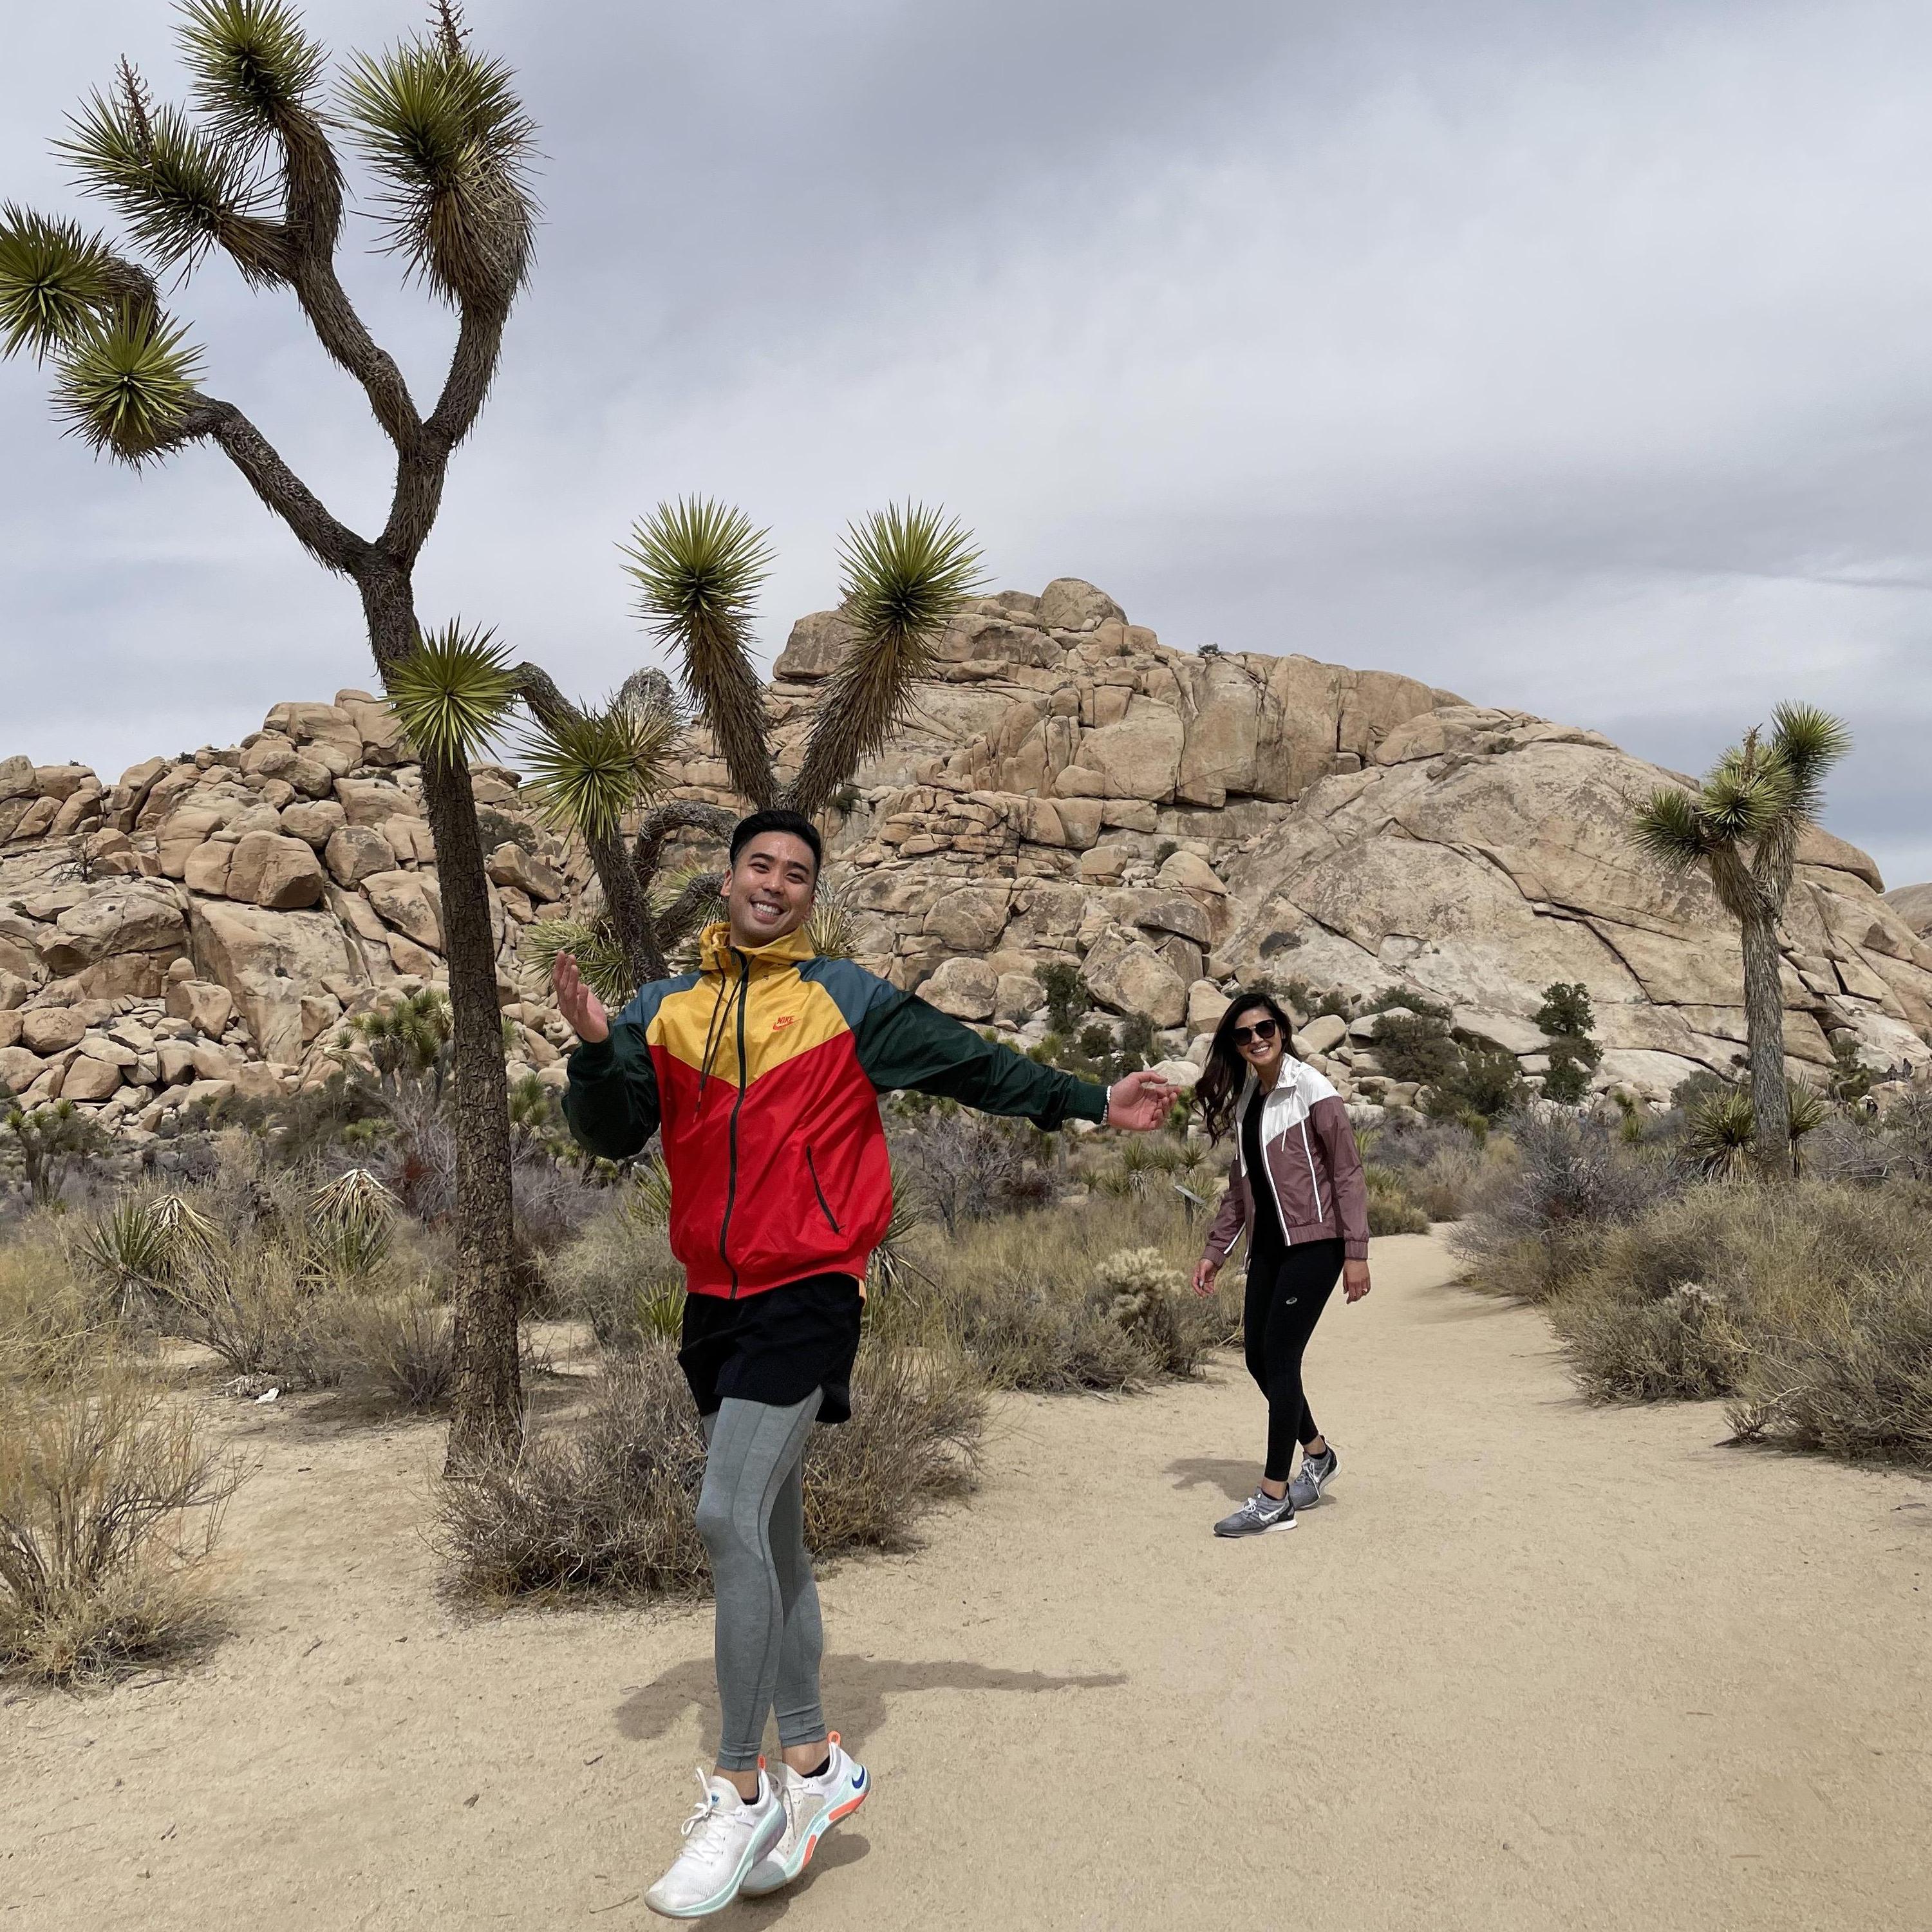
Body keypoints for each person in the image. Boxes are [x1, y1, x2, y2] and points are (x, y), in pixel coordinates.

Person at [555, 808, 1177, 1919]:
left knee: (721, 1516)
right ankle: (815, 1768)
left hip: (809, 1288)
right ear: (729, 879)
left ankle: (739, 1793)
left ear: (810, 895)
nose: (776, 884)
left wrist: (1088, 1103)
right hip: (713, 1298)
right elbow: (608, 1134)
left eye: (797, 873)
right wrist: (599, 1050)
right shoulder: (666, 1009)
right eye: (761, 864)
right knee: (772, 1533)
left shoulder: (846, 1003)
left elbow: (969, 1062)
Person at [1190, 991, 1371, 1538]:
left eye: (1264, 1028)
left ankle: (1274, 1498)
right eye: (1243, 1034)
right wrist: (1214, 1250)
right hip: (1268, 1247)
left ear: (1282, 1029)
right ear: (1235, 1045)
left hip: (1314, 1244)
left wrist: (1355, 1252)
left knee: (1283, 1358)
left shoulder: (1313, 1089)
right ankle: (1317, 1455)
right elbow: (1238, 1192)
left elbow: (1346, 1173)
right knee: (1257, 1360)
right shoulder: (1250, 1100)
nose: (1255, 1039)